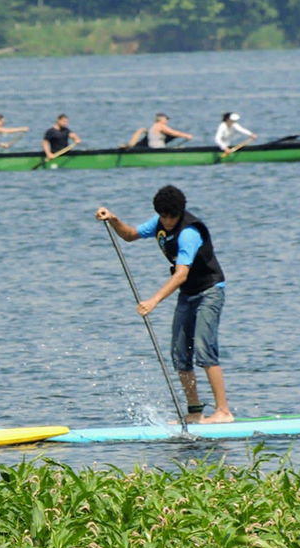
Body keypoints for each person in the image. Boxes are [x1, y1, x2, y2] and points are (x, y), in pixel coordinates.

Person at [95, 185, 234, 424]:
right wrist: (114, 219)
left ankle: (223, 412)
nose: (167, 222)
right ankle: (195, 412)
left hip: (209, 292)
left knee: (204, 349)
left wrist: (153, 300)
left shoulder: (189, 232)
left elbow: (181, 274)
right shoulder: (159, 221)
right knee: (180, 354)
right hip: (187, 294)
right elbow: (129, 235)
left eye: (172, 217)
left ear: (179, 213)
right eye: (163, 217)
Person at [125, 113, 193, 149]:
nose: (167, 121)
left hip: (153, 146)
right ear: (162, 119)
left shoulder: (153, 126)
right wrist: (186, 136)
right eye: (166, 119)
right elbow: (172, 132)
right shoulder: (160, 126)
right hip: (157, 148)